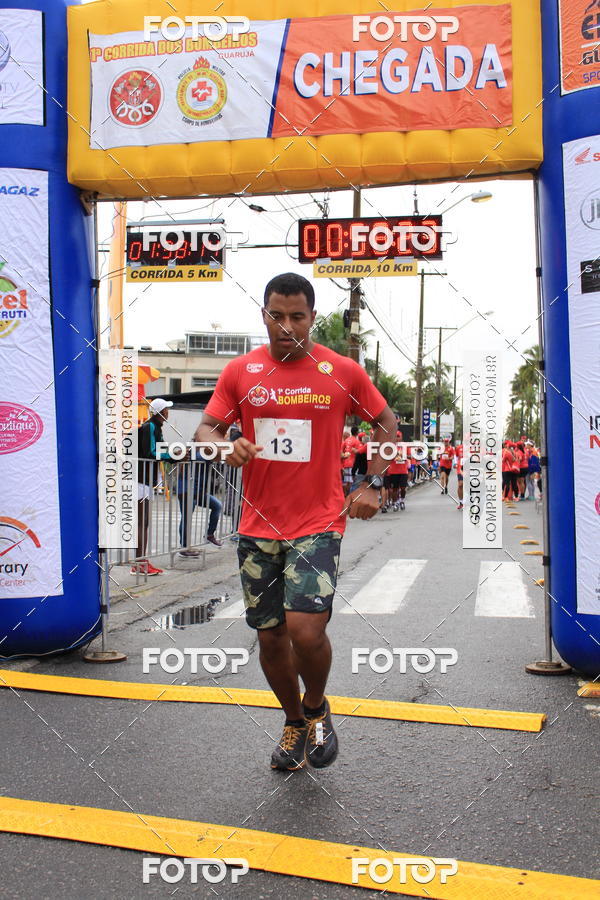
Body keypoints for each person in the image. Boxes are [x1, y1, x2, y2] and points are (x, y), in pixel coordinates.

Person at [194, 272, 397, 772]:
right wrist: (224, 445)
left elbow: (387, 424)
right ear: (264, 314)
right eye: (276, 315)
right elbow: (205, 430)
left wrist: (372, 483)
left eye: (297, 317)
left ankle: (316, 706)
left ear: (312, 317)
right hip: (258, 527)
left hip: (319, 522)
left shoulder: (341, 371)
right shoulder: (241, 372)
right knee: (269, 637)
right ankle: (292, 721)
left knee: (306, 632)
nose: (286, 326)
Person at [135, 398, 174, 576]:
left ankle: (141, 561)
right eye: (166, 409)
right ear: (159, 412)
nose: (168, 412)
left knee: (145, 523)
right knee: (142, 523)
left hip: (145, 480)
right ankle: (138, 563)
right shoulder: (150, 426)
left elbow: (159, 450)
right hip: (139, 480)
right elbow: (151, 451)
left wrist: (173, 454)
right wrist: (173, 456)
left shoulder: (155, 427)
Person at [176, 452, 223, 556]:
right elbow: (215, 456)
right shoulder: (197, 454)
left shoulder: (201, 453)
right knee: (186, 517)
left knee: (217, 506)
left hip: (198, 491)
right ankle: (184, 547)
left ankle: (210, 534)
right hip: (186, 490)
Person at [455, 442, 464, 510]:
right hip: (460, 469)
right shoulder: (459, 448)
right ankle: (461, 502)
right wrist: (455, 463)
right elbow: (456, 456)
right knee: (460, 484)